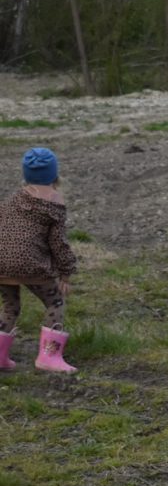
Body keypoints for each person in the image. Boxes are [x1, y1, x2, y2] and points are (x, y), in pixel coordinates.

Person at [0, 147, 79, 373]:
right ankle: (49, 356)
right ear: (55, 174)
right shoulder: (54, 203)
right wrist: (66, 272)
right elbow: (59, 243)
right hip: (31, 264)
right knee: (55, 302)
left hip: (1, 263)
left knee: (10, 307)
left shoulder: (12, 199)